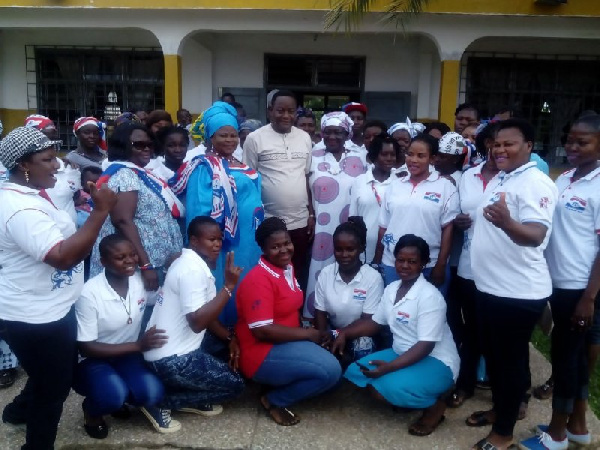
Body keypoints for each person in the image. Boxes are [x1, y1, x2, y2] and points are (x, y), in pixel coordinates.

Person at [0, 126, 117, 449]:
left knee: (54, 373)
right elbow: (62, 257)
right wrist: (101, 211)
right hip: (34, 316)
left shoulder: (31, 195)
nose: (57, 165)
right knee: (53, 389)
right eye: (48, 159)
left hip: (56, 306)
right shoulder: (20, 209)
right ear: (24, 165)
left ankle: (16, 411)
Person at [468, 118, 558, 450]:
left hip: (516, 293)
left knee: (508, 365)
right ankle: (501, 410)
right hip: (490, 287)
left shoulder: (534, 182)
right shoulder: (504, 177)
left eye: (509, 144)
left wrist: (507, 223)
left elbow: (536, 235)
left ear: (529, 147)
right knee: (498, 359)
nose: (500, 149)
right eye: (496, 144)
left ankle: (503, 434)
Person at [520, 115, 600, 450]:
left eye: (582, 142)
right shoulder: (565, 178)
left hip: (581, 286)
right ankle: (578, 427)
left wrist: (589, 297)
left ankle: (555, 434)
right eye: (569, 140)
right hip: (559, 282)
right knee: (576, 360)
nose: (572, 147)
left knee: (566, 360)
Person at [342, 234, 459, 437]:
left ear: (423, 264)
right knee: (355, 371)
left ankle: (436, 406)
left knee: (381, 389)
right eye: (400, 260)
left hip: (435, 360)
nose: (404, 266)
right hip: (400, 353)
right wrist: (342, 334)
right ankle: (408, 391)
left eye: (412, 262)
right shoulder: (391, 289)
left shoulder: (430, 296)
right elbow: (374, 323)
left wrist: (389, 368)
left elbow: (426, 345)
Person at [235, 217, 342, 426]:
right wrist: (309, 334)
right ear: (263, 249)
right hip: (260, 351)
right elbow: (262, 331)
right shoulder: (258, 279)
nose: (284, 250)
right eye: (275, 246)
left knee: (336, 361)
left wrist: (306, 330)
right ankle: (274, 400)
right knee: (331, 371)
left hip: (286, 341)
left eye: (287, 243)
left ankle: (279, 382)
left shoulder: (286, 267)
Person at [74, 234, 176, 439]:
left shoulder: (139, 280)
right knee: (113, 395)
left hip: (127, 355)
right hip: (93, 359)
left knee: (152, 392)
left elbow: (162, 297)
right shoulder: (89, 293)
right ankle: (92, 411)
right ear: (103, 262)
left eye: (132, 255)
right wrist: (139, 346)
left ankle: (117, 394)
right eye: (121, 257)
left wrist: (169, 269)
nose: (130, 261)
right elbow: (86, 347)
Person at [145, 217, 245, 420]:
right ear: (194, 241)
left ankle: (183, 391)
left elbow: (207, 316)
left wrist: (230, 338)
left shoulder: (187, 262)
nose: (217, 244)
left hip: (164, 353)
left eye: (219, 239)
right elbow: (198, 322)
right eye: (211, 239)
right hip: (172, 360)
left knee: (225, 351)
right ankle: (161, 401)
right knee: (236, 385)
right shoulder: (192, 270)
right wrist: (229, 287)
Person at [173, 101, 263, 327]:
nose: (230, 140)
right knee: (225, 279)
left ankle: (246, 325)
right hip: (225, 243)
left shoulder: (241, 164)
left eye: (234, 135)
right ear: (211, 137)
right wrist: (209, 245)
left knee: (247, 278)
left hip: (250, 241)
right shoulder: (203, 167)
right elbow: (198, 210)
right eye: (223, 135)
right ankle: (223, 331)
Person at [89, 123, 184, 296]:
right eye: (139, 145)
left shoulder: (137, 172)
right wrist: (145, 264)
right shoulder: (125, 175)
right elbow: (123, 221)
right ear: (123, 145)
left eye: (149, 144)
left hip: (152, 261)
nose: (146, 148)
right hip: (140, 264)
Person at [446, 123, 501, 409]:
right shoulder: (468, 176)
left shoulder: (514, 180)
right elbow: (454, 211)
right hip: (466, 266)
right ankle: (466, 383)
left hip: (500, 271)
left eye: (503, 143)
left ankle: (515, 393)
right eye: (491, 142)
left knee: (500, 333)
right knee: (467, 329)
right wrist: (458, 221)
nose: (496, 149)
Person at [243, 91, 314, 291]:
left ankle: (294, 313)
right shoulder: (255, 139)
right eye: (280, 110)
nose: (286, 116)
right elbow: (249, 180)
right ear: (270, 111)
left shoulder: (305, 138)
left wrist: (310, 212)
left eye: (291, 111)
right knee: (269, 271)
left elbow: (306, 176)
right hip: (268, 221)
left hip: (299, 221)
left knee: (298, 269)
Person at [373, 134, 459, 293]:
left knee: (429, 313)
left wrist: (440, 265)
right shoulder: (395, 185)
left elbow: (448, 229)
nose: (413, 160)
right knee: (393, 311)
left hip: (430, 265)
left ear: (432, 159)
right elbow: (384, 226)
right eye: (410, 154)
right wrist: (378, 260)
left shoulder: (446, 187)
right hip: (393, 263)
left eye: (421, 156)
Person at [306, 111, 367, 315]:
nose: (333, 137)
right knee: (320, 270)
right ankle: (317, 316)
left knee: (349, 268)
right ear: (321, 133)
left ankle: (349, 316)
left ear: (347, 133)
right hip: (321, 227)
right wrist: (311, 214)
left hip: (350, 226)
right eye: (328, 132)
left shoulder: (360, 156)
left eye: (338, 132)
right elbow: (304, 186)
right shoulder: (312, 155)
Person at [314, 218, 384, 364]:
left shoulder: (373, 278)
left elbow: (369, 321)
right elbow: (320, 312)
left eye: (350, 249)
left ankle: (357, 375)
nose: (344, 255)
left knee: (364, 344)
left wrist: (343, 334)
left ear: (361, 248)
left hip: (360, 333)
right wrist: (324, 337)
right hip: (333, 331)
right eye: (339, 249)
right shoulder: (326, 273)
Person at [349, 135, 399, 262]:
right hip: (364, 249)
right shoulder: (359, 182)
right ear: (374, 156)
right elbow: (353, 217)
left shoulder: (401, 182)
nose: (389, 159)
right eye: (384, 154)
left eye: (392, 154)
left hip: (393, 248)